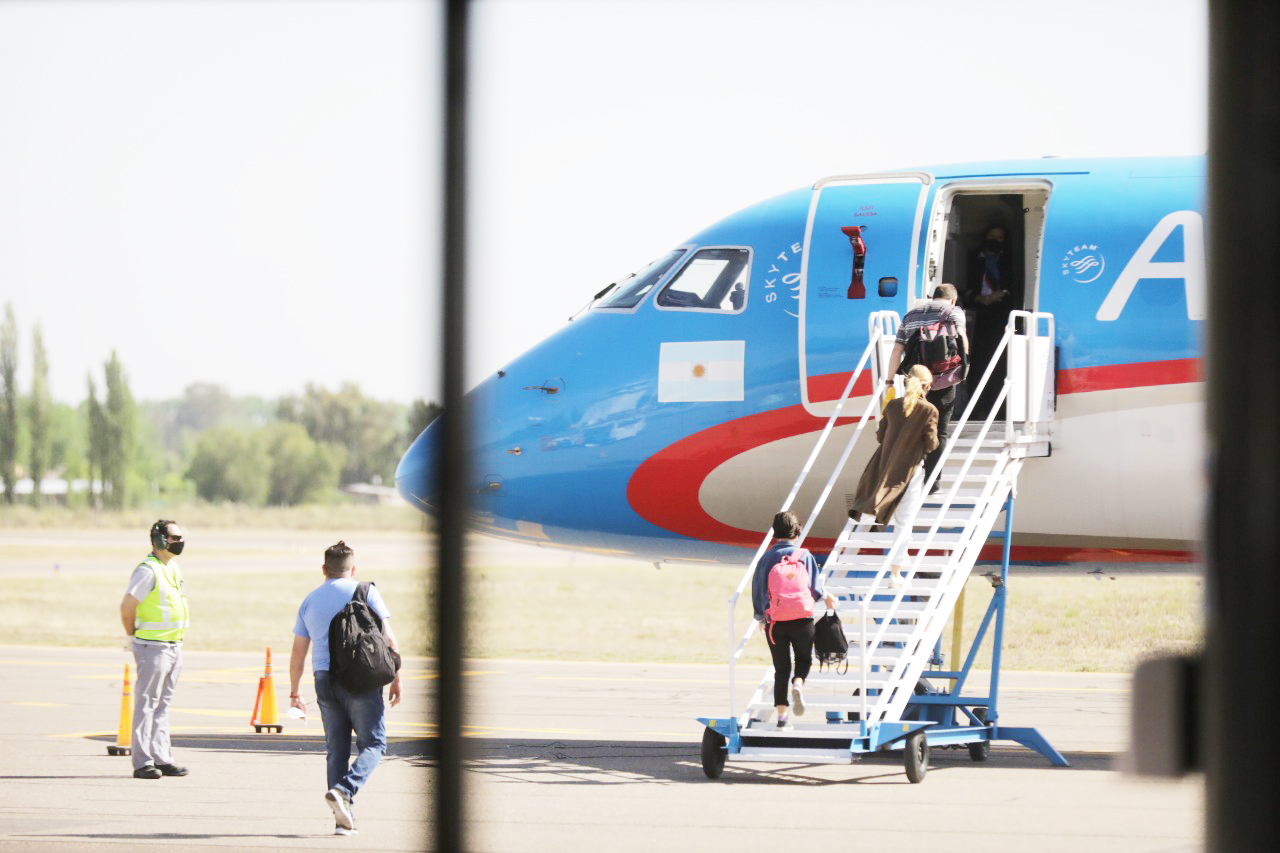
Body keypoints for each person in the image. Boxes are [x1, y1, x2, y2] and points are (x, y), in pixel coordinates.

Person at [289, 540, 402, 837]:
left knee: (336, 750)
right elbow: (389, 639)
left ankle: (343, 820)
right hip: (360, 678)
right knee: (374, 744)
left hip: (324, 679)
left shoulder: (310, 600)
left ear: (324, 569)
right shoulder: (366, 591)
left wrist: (295, 692)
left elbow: (298, 652)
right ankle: (344, 789)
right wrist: (396, 676)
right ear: (353, 570)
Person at [848, 365, 940, 586]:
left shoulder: (892, 406)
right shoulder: (929, 410)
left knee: (898, 520)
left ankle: (900, 557)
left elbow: (881, 436)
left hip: (886, 470)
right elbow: (931, 444)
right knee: (904, 523)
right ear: (927, 386)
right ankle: (895, 573)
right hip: (911, 473)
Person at [751, 511, 836, 730]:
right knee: (804, 660)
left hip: (776, 622)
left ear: (774, 532)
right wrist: (826, 597)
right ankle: (798, 683)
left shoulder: (766, 558)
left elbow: (758, 589)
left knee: (781, 669)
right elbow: (815, 589)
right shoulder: (804, 555)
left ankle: (782, 718)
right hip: (802, 619)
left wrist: (761, 616)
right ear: (797, 531)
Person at [119, 519, 190, 780]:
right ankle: (143, 762)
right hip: (153, 646)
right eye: (175, 537)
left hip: (173, 645)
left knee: (163, 705)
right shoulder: (147, 570)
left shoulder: (172, 568)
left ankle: (162, 757)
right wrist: (132, 636)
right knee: (146, 703)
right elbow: (127, 606)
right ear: (160, 540)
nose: (180, 542)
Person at [886, 283, 968, 488]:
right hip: (943, 379)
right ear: (953, 299)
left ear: (932, 297)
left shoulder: (910, 316)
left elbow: (897, 350)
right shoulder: (954, 312)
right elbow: (961, 337)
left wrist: (889, 380)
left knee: (913, 427)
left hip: (915, 380)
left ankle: (907, 480)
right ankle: (932, 482)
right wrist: (964, 367)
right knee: (939, 430)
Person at [965, 225, 1015, 415]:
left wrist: (1001, 295)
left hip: (1002, 315)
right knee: (978, 362)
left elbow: (1015, 285)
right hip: (977, 316)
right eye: (991, 236)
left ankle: (999, 409)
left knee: (1000, 362)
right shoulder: (973, 258)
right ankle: (977, 409)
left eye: (999, 238)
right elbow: (963, 287)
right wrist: (979, 298)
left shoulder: (1009, 260)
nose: (994, 240)